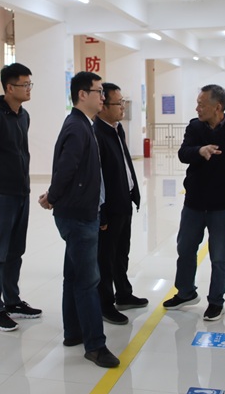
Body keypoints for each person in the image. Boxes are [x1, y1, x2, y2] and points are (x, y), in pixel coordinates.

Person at [39, 71, 121, 369]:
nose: (103, 97)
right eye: (99, 91)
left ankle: (73, 332)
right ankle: (95, 346)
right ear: (82, 94)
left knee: (73, 275)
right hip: (78, 215)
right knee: (88, 280)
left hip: (81, 211)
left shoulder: (82, 124)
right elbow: (67, 168)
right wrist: (53, 196)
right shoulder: (77, 127)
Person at [163, 84, 225, 321]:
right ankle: (185, 292)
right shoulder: (195, 127)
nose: (197, 108)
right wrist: (200, 150)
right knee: (185, 248)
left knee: (219, 256)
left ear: (217, 107)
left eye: (201, 104)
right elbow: (183, 153)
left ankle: (216, 301)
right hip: (194, 203)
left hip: (222, 205)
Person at [0, 62, 42, 332]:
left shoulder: (23, 116)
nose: (28, 89)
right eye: (24, 85)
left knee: (16, 250)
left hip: (21, 192)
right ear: (8, 88)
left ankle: (12, 300)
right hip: (0, 195)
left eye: (29, 84)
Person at [93, 83, 146, 325]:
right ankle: (105, 304)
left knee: (121, 252)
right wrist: (102, 212)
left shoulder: (117, 129)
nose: (123, 107)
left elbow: (125, 162)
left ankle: (123, 293)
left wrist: (134, 191)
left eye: (123, 102)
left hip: (124, 201)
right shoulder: (97, 133)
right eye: (118, 103)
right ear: (103, 106)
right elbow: (98, 178)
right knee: (105, 256)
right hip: (110, 206)